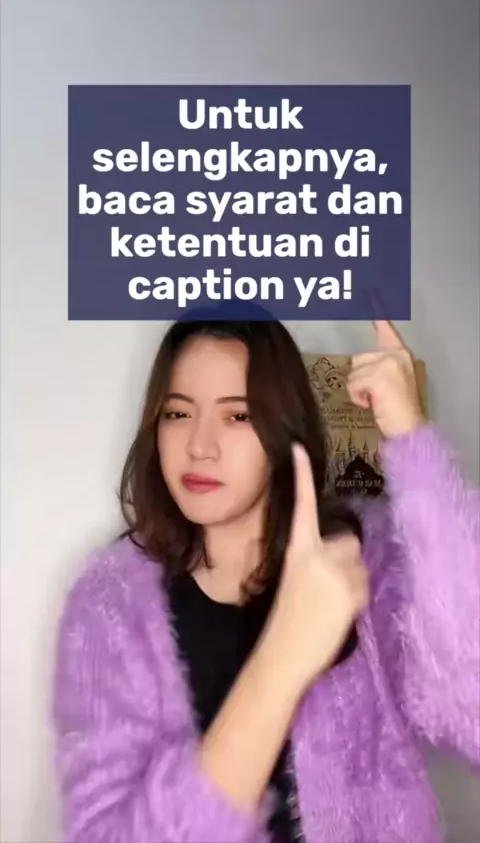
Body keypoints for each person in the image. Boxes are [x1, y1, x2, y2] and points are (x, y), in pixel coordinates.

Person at [52, 315, 480, 843]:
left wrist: (412, 439)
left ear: (281, 428)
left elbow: (471, 714)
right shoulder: (109, 605)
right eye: (178, 413)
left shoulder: (361, 560)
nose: (200, 446)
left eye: (237, 416)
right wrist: (284, 657)